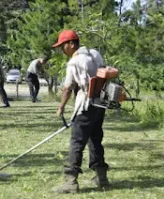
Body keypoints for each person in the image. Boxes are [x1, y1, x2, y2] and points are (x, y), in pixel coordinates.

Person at [52, 30, 110, 193]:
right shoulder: (95, 54)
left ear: (71, 44)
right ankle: (102, 177)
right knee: (95, 139)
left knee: (77, 142)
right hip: (100, 104)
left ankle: (70, 182)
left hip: (85, 105)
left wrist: (61, 107)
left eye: (63, 46)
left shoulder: (74, 62)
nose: (62, 50)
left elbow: (68, 88)